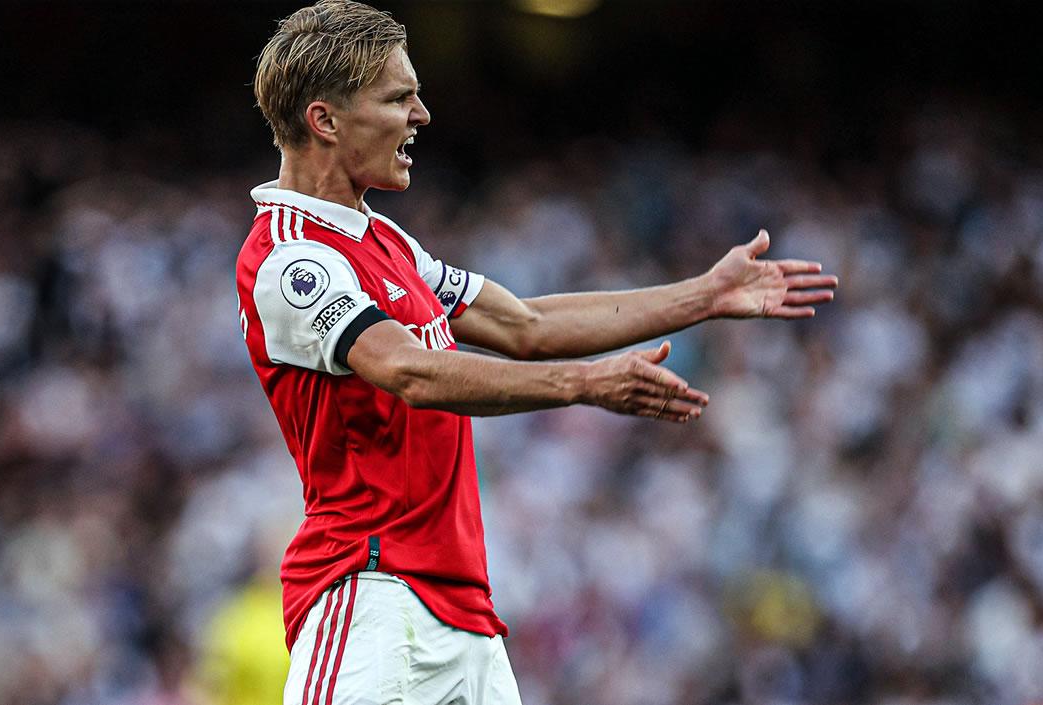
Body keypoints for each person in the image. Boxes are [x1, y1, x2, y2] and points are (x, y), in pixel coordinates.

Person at [235, 2, 838, 703]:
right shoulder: (287, 256)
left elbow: (523, 323)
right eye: (400, 98)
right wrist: (583, 385)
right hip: (369, 597)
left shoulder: (387, 244)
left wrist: (702, 295)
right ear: (326, 120)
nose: (422, 115)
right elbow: (407, 369)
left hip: (460, 612)